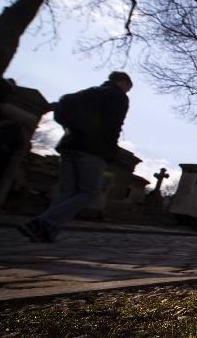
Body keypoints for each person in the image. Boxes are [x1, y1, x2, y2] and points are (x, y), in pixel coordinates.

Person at [17, 72, 132, 243]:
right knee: (89, 192)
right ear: (122, 82)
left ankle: (46, 232)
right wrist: (111, 150)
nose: (128, 91)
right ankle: (43, 222)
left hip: (69, 144)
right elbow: (113, 125)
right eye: (128, 88)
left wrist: (70, 129)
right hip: (93, 148)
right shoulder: (118, 96)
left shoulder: (87, 93)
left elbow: (61, 107)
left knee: (67, 191)